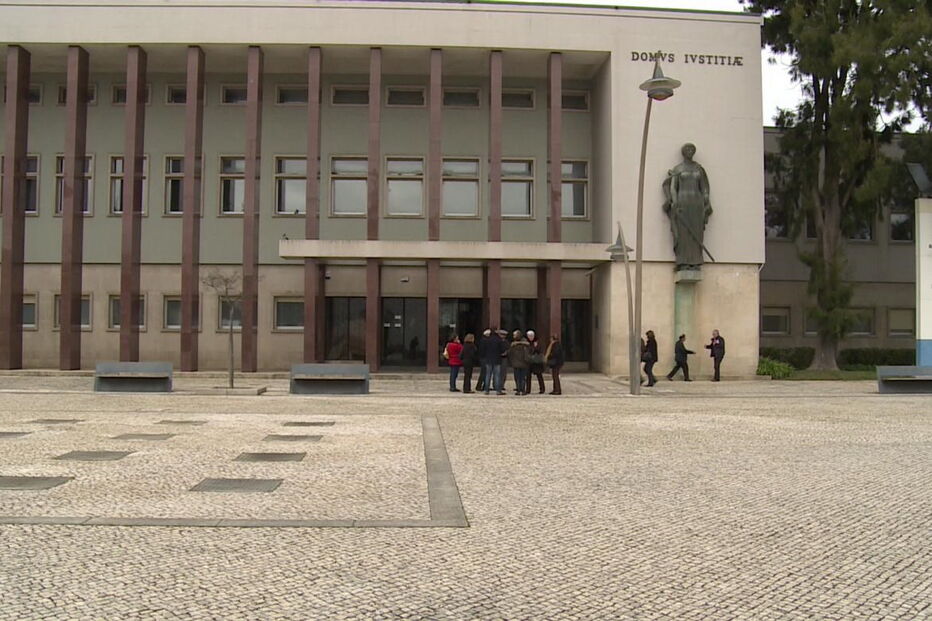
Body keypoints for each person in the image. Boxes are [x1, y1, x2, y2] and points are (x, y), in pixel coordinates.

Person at [662, 142, 712, 271]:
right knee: (683, 234)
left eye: (692, 149)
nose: (690, 151)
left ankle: (695, 262)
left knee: (697, 232)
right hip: (682, 204)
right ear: (683, 152)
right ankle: (683, 261)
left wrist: (706, 199)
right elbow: (673, 187)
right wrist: (675, 201)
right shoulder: (678, 169)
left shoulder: (699, 169)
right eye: (687, 149)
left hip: (697, 204)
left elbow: (704, 187)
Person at [478, 327, 507, 395]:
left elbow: (483, 350)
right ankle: (498, 390)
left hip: (488, 359)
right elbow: (502, 349)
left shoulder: (487, 340)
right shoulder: (499, 340)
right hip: (497, 359)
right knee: (497, 375)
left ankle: (486, 390)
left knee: (488, 375)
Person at [507, 330, 531, 395]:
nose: (513, 336)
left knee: (518, 378)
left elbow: (510, 353)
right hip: (523, 363)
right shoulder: (525, 344)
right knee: (522, 378)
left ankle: (519, 390)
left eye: (514, 335)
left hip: (516, 363)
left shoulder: (513, 345)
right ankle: (522, 390)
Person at [525, 329, 546, 395]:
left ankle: (542, 389)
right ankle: (528, 389)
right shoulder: (526, 343)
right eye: (529, 336)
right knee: (528, 376)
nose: (531, 337)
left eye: (532, 336)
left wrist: (536, 347)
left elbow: (540, 351)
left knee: (539, 375)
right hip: (529, 361)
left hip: (536, 361)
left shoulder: (537, 342)